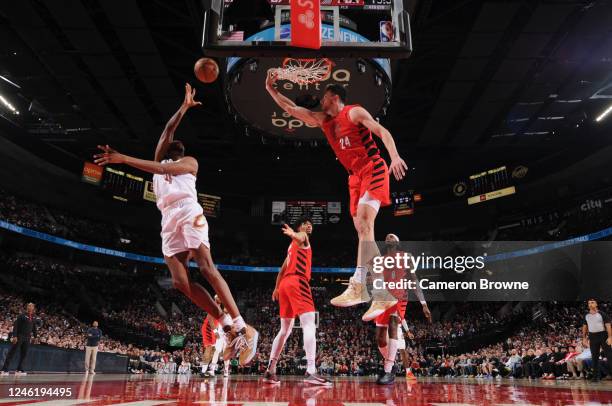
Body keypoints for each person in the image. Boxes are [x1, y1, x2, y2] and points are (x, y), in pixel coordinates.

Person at [94, 83, 257, 365]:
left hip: (188, 212)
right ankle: (227, 327)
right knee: (181, 282)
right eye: (172, 142)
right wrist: (183, 108)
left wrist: (123, 159)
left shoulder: (188, 163)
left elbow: (160, 167)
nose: (175, 142)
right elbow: (168, 131)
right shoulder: (161, 156)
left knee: (206, 267)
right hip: (168, 220)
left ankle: (245, 328)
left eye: (176, 143)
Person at [265, 74, 409, 321]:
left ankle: (360, 284)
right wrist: (270, 89)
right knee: (363, 231)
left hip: (372, 167)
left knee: (365, 225)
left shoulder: (353, 113)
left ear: (334, 97)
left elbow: (381, 130)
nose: (320, 101)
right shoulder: (323, 121)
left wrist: (394, 156)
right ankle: (376, 290)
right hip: (354, 178)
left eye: (324, 97)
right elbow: (291, 108)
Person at [263, 217, 332, 386]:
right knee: (309, 324)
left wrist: (277, 288)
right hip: (298, 282)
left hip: (285, 285)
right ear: (299, 227)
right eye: (305, 223)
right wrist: (295, 233)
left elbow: (281, 270)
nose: (309, 226)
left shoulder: (291, 249)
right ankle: (311, 371)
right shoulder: (301, 238)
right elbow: (301, 237)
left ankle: (270, 371)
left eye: (311, 224)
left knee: (285, 330)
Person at [373, 233, 431, 385]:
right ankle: (390, 364)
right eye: (386, 237)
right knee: (379, 338)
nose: (388, 237)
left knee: (393, 323)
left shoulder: (407, 256)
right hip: (383, 298)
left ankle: (388, 369)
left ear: (398, 242)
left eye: (392, 236)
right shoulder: (380, 259)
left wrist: (423, 303)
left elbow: (414, 279)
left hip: (399, 297)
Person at [1, 302, 38, 376]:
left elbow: (34, 328)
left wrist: (35, 336)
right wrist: (15, 336)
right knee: (12, 352)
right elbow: (16, 325)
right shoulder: (22, 315)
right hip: (19, 336)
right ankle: (4, 370)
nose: (30, 307)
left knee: (24, 354)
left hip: (27, 338)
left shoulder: (34, 317)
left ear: (33, 308)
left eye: (31, 306)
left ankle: (19, 370)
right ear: (27, 307)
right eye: (29, 306)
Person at [582, 298, 612, 381]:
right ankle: (596, 376)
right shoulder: (586, 315)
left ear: (596, 304)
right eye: (589, 303)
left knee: (609, 355)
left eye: (592, 302)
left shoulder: (602, 314)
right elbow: (585, 327)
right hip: (592, 336)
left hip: (603, 335)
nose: (590, 304)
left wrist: (610, 337)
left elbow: (608, 326)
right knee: (594, 357)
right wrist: (584, 338)